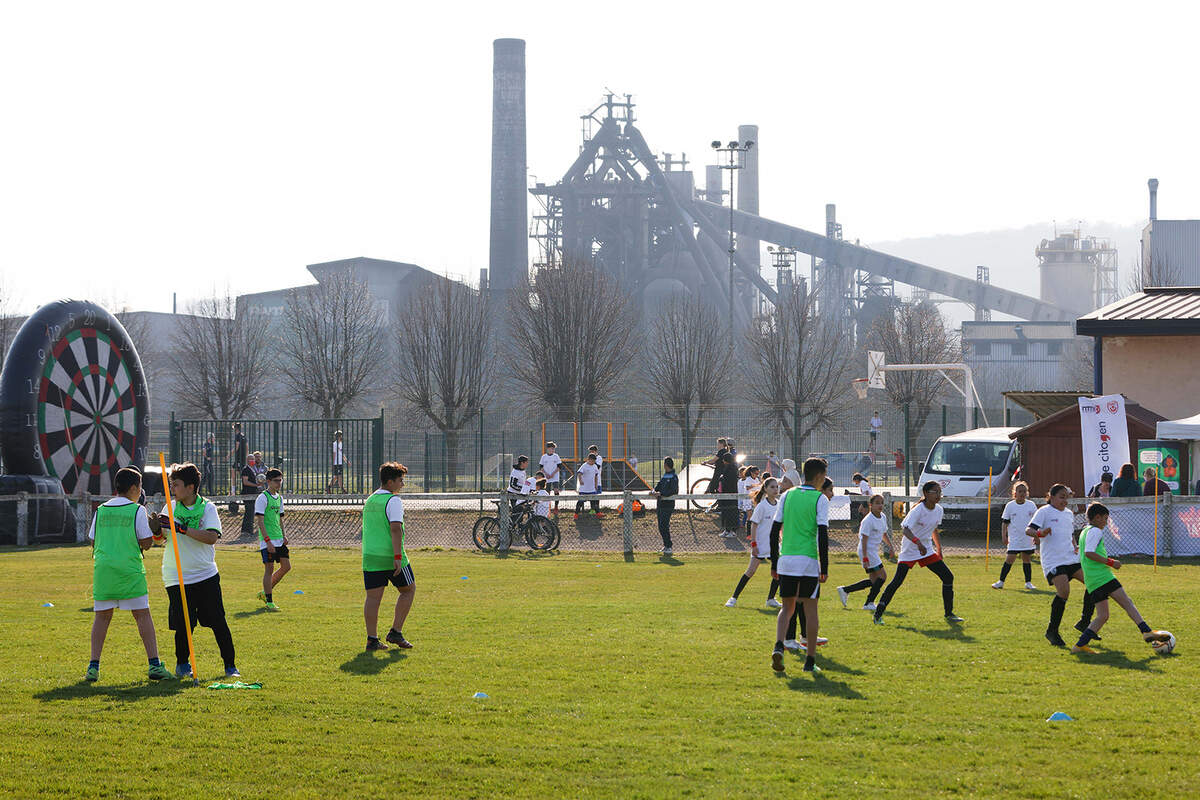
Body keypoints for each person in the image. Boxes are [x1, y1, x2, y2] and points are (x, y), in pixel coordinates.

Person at [86, 467, 172, 683]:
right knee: (142, 615)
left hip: (104, 570)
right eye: (140, 486)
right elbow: (146, 542)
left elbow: (93, 540)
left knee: (102, 617)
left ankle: (93, 667)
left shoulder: (101, 510)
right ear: (134, 488)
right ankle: (154, 664)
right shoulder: (137, 510)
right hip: (129, 570)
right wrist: (154, 532)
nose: (141, 490)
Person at [157, 462, 239, 679]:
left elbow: (211, 537)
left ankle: (230, 667)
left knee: (218, 621)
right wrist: (156, 527)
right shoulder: (170, 507)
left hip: (205, 575)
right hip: (176, 576)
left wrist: (182, 528)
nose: (172, 489)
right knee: (184, 624)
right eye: (171, 484)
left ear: (191, 487)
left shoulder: (208, 508)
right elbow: (159, 539)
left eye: (176, 485)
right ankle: (183, 665)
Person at [1071, 502, 1171, 654]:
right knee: (1127, 603)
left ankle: (1079, 646)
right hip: (1102, 577)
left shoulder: (1085, 531)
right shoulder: (1096, 531)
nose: (1106, 522)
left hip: (1092, 580)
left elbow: (1083, 552)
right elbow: (1089, 553)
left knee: (1103, 616)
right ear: (1097, 517)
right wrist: (1112, 562)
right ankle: (1146, 631)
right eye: (1105, 518)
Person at [769, 457, 830, 673]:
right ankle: (810, 662)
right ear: (820, 476)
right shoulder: (820, 499)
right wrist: (825, 567)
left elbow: (775, 530)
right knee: (810, 609)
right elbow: (822, 534)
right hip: (807, 561)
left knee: (787, 608)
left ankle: (778, 646)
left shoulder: (786, 495)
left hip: (786, 560)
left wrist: (774, 564)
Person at [872, 481, 963, 625]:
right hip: (910, 550)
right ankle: (878, 614)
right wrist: (918, 542)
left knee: (947, 577)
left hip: (926, 550)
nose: (939, 495)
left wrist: (939, 549)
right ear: (926, 494)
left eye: (940, 492)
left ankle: (949, 613)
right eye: (935, 492)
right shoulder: (918, 510)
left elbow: (934, 529)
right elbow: (905, 529)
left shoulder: (939, 509)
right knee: (897, 582)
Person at [1026, 483, 1094, 647]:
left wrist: (1075, 546)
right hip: (1054, 559)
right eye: (1061, 497)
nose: (1065, 500)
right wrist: (1040, 533)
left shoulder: (1069, 514)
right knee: (1064, 591)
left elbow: (1070, 535)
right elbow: (1029, 530)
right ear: (1052, 496)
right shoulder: (1044, 511)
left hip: (1070, 557)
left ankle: (1084, 622)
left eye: (1067, 497)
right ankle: (1052, 631)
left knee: (1093, 583)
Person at [361, 462, 414, 651]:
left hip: (370, 556)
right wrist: (397, 556)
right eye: (400, 480)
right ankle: (395, 632)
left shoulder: (371, 500)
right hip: (390, 556)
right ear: (390, 482)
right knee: (408, 590)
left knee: (373, 598)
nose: (402, 484)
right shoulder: (394, 501)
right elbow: (395, 529)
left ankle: (372, 639)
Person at [836, 494, 896, 611]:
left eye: (881, 503)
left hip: (872, 551)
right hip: (867, 551)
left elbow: (884, 534)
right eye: (877, 503)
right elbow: (864, 540)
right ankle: (869, 603)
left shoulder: (882, 517)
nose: (880, 505)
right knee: (882, 576)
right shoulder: (868, 520)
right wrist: (865, 558)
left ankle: (846, 590)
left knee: (874, 580)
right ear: (871, 505)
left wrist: (891, 547)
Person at [726, 477, 779, 608]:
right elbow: (754, 525)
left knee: (778, 572)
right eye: (772, 487)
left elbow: (780, 525)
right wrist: (754, 544)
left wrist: (782, 537)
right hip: (760, 545)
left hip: (774, 546)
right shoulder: (762, 506)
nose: (775, 489)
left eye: (776, 487)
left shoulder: (779, 505)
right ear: (765, 489)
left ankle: (770, 599)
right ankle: (733, 598)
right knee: (750, 572)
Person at [254, 468, 289, 610]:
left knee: (286, 567)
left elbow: (280, 519)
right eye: (276, 481)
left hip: (279, 539)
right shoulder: (262, 498)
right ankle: (269, 601)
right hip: (267, 540)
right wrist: (267, 541)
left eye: (280, 480)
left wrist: (284, 535)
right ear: (268, 481)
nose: (279, 483)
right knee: (269, 569)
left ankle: (265, 592)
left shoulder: (279, 498)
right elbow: (260, 521)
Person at [992, 481, 1038, 590]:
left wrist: (1036, 536)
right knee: (1009, 559)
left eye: (1024, 491)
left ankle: (1028, 582)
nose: (1022, 493)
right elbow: (1005, 523)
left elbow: (1036, 523)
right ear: (1015, 493)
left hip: (1027, 539)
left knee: (1026, 559)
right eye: (1020, 491)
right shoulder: (1010, 506)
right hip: (1014, 539)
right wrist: (1004, 536)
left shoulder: (1031, 505)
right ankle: (1001, 582)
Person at [651, 457, 679, 556]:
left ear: (666, 465)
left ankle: (669, 546)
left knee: (664, 525)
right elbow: (659, 485)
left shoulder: (674, 476)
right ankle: (666, 545)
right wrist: (654, 491)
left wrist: (661, 493)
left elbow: (673, 490)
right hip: (661, 504)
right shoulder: (665, 476)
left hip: (668, 505)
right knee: (661, 526)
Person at [708, 451, 740, 538]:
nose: (722, 461)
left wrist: (722, 479)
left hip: (731, 494)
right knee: (725, 511)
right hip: (725, 494)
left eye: (724, 459)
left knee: (731, 512)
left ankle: (733, 531)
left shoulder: (732, 468)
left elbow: (729, 481)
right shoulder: (727, 467)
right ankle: (727, 530)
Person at [575, 452, 603, 519]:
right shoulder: (584, 466)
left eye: (594, 461)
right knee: (580, 502)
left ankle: (598, 513)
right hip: (584, 488)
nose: (592, 462)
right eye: (591, 460)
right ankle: (576, 514)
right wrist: (580, 481)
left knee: (594, 502)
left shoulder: (595, 466)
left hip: (592, 488)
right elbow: (579, 473)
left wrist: (596, 485)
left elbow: (596, 476)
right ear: (588, 459)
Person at [539, 441, 564, 515]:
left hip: (555, 477)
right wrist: (546, 474)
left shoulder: (556, 456)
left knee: (556, 490)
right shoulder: (544, 457)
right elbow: (541, 467)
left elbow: (559, 467)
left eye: (553, 449)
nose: (552, 450)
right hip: (547, 477)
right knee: (547, 492)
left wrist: (553, 474)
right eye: (551, 449)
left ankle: (556, 507)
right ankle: (548, 507)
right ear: (547, 449)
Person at [240, 453, 262, 535]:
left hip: (253, 493)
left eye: (253, 459)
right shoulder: (246, 470)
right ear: (247, 460)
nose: (253, 461)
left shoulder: (252, 469)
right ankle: (246, 530)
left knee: (251, 511)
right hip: (247, 493)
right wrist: (255, 485)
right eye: (251, 459)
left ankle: (249, 530)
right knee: (249, 511)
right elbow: (245, 482)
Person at [231, 422, 247, 493]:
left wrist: (229, 455)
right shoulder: (243, 436)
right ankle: (236, 490)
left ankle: (233, 491)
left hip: (239, 458)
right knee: (238, 472)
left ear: (236, 429)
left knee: (236, 473)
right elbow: (247, 447)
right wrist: (246, 456)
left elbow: (236, 447)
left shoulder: (238, 436)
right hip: (242, 458)